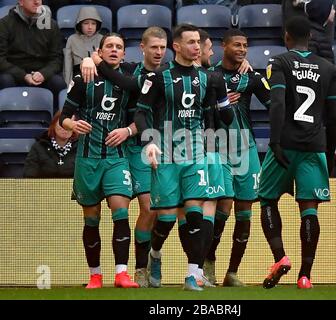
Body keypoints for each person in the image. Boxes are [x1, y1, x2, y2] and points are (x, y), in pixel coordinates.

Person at [133, 24, 233, 291]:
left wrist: (222, 100)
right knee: (165, 217)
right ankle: (154, 254)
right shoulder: (157, 78)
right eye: (191, 42)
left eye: (198, 41)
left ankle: (192, 274)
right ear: (176, 47)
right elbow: (141, 114)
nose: (197, 46)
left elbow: (227, 117)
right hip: (166, 154)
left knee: (195, 211)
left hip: (196, 153)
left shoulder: (209, 78)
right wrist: (150, 143)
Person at [80, 26, 168, 288]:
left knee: (151, 209)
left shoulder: (163, 74)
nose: (159, 52)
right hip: (117, 150)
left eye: (163, 48)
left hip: (145, 146)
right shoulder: (129, 68)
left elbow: (127, 85)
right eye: (154, 47)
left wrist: (96, 61)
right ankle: (124, 271)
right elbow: (114, 73)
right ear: (142, 48)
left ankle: (147, 261)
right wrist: (88, 59)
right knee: (118, 211)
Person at [258, 16, 336, 289]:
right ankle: (305, 276)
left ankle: (280, 258)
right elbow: (334, 117)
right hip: (314, 146)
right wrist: (328, 153)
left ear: (286, 37)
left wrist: (274, 141)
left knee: (268, 200)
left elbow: (278, 103)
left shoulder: (279, 63)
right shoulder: (329, 68)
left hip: (286, 144)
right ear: (311, 38)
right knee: (309, 211)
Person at [60, 33, 140, 289]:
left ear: (124, 54)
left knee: (121, 212)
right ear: (100, 51)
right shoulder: (84, 78)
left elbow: (141, 120)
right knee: (92, 219)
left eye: (119, 47)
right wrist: (73, 124)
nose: (114, 50)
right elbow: (64, 117)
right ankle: (95, 275)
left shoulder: (129, 83)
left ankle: (121, 274)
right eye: (110, 46)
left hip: (117, 159)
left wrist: (127, 131)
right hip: (87, 159)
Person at [202, 29, 270, 287]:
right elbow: (196, 107)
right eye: (237, 45)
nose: (242, 49)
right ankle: (209, 261)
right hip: (218, 146)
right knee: (224, 208)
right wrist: (220, 104)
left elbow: (272, 101)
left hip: (246, 147)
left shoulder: (251, 77)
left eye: (245, 45)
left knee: (245, 211)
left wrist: (266, 75)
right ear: (224, 46)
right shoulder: (211, 75)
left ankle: (232, 272)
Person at [0, 0, 66, 111]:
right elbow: (1, 59)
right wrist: (23, 75)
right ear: (21, 2)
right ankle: (6, 122)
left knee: (58, 83)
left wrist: (44, 73)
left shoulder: (51, 25)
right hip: (14, 73)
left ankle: (57, 124)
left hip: (42, 74)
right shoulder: (5, 24)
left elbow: (57, 59)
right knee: (5, 80)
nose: (36, 2)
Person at [23, 110, 77, 178]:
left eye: (69, 125)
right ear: (54, 125)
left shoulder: (80, 149)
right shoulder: (38, 147)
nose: (65, 128)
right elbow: (29, 175)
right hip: (43, 188)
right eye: (61, 124)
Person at [63, 6, 103, 86]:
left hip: (99, 76)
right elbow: (68, 65)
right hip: (78, 76)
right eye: (86, 23)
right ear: (80, 24)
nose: (90, 27)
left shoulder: (102, 39)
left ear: (97, 25)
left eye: (93, 23)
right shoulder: (72, 39)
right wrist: (69, 84)